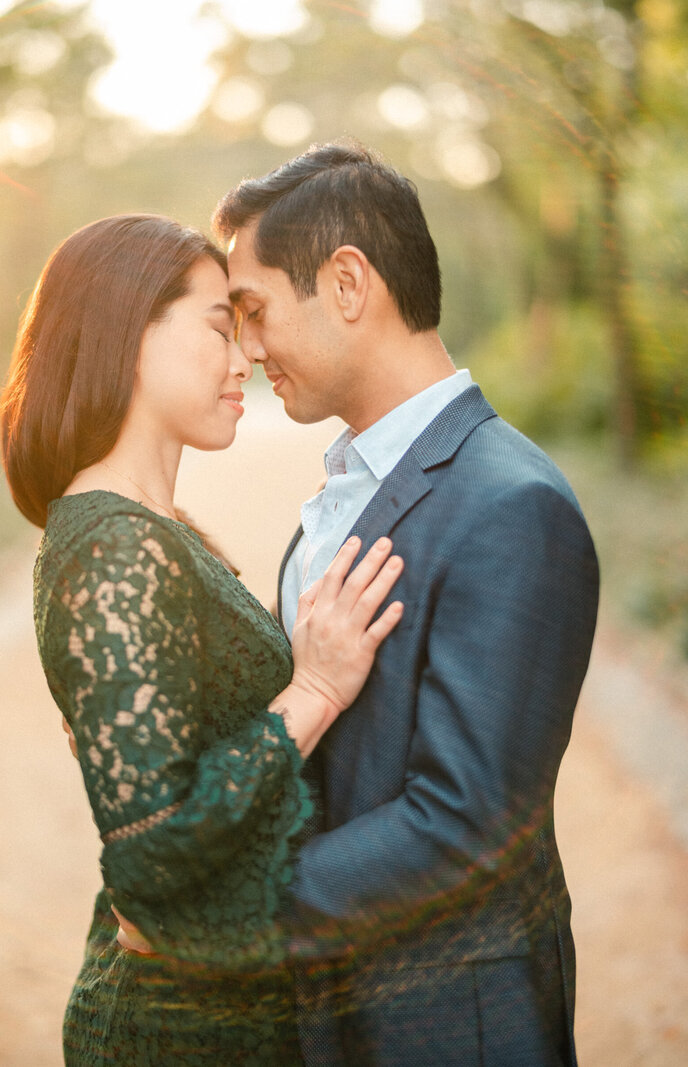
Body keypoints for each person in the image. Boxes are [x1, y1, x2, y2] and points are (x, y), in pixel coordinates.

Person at [211, 142, 600, 1066]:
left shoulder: (513, 504)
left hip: (445, 1020)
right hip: (333, 1009)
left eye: (255, 311)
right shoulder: (346, 483)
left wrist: (235, 906)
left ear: (348, 282)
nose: (249, 348)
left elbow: (467, 820)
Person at [0, 212, 405, 1065]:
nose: (246, 358)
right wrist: (315, 690)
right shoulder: (114, 546)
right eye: (221, 326)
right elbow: (150, 856)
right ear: (126, 329)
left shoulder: (148, 528)